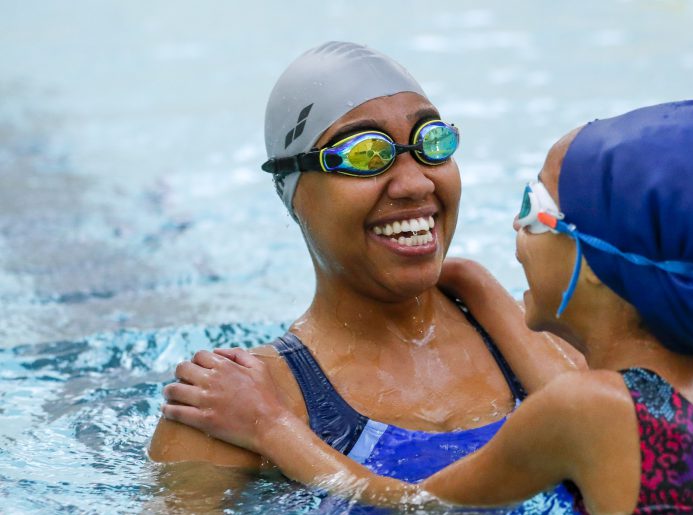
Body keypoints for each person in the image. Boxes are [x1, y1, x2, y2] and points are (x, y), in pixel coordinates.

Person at [162, 99, 693, 515]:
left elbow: (412, 504)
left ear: (596, 263)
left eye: (534, 212)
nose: (512, 226)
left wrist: (271, 427)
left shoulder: (581, 410)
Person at [148, 41, 577, 476]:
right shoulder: (227, 410)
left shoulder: (553, 339)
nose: (415, 184)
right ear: (293, 194)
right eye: (365, 155)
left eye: (432, 141)